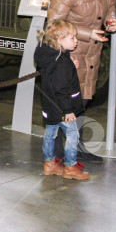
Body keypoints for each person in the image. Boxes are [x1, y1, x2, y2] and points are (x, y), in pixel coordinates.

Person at [46, 0, 116, 162]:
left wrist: (112, 20)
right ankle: (59, 154)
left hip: (91, 54)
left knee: (82, 101)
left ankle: (76, 148)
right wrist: (88, 34)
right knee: (65, 104)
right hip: (68, 53)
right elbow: (53, 23)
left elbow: (110, 8)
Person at [35, 19, 89, 180]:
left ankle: (49, 164)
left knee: (50, 133)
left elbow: (55, 74)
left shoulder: (51, 55)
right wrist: (68, 111)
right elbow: (62, 89)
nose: (76, 41)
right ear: (59, 40)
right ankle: (70, 167)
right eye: (72, 38)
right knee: (73, 135)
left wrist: (70, 64)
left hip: (50, 106)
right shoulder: (62, 63)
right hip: (63, 108)